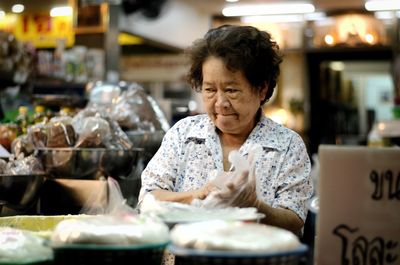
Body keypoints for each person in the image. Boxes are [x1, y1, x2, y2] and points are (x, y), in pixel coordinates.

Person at [138, 24, 313, 236]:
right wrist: (199, 195)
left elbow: (295, 218)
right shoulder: (183, 134)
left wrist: (254, 205)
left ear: (261, 89)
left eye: (231, 90)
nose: (220, 103)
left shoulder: (287, 146)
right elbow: (149, 197)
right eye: (210, 90)